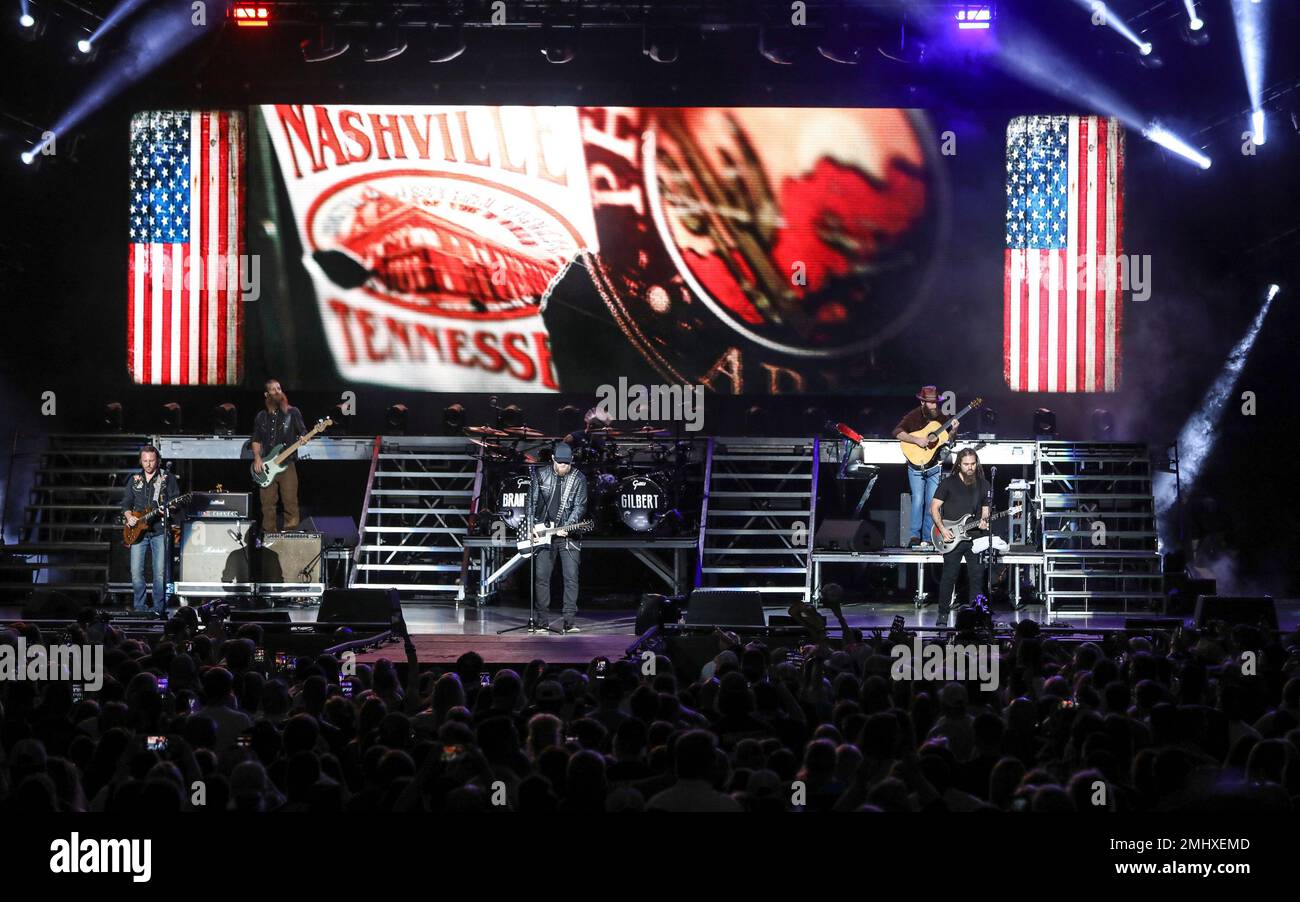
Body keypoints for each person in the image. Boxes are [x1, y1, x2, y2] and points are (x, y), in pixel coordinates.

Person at [527, 442, 588, 634]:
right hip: (545, 533)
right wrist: (531, 527)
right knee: (542, 577)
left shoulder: (578, 478)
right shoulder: (540, 475)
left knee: (571, 578)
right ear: (553, 459)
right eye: (561, 464)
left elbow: (580, 506)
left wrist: (567, 527)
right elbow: (531, 503)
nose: (564, 468)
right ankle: (542, 621)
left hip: (568, 535)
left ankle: (569, 622)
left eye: (567, 464)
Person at [119, 444, 182, 617]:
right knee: (136, 572)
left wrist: (168, 509)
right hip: (137, 532)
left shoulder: (167, 478)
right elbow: (125, 503)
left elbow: (176, 501)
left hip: (160, 531)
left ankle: (158, 608)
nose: (148, 464)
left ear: (158, 460)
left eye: (151, 461)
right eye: (145, 461)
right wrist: (129, 516)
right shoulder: (135, 479)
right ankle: (139, 607)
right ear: (141, 460)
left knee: (160, 573)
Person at [893, 385, 959, 549]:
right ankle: (914, 536)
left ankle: (928, 537)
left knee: (932, 503)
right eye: (930, 403)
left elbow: (949, 441)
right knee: (917, 500)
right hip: (916, 466)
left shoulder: (942, 418)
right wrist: (916, 440)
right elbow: (897, 432)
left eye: (935, 402)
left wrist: (954, 431)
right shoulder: (913, 416)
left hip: (934, 466)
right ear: (923, 402)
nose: (934, 406)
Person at [930, 448, 990, 625]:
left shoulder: (984, 484)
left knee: (977, 577)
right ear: (959, 464)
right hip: (951, 537)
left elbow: (985, 512)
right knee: (949, 576)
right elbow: (934, 508)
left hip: (975, 537)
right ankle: (942, 614)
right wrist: (942, 528)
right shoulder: (948, 483)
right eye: (966, 464)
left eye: (972, 464)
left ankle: (976, 615)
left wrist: (984, 522)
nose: (970, 467)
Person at [251, 378, 308, 533]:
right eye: (274, 389)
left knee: (290, 502)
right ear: (266, 394)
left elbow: (303, 431)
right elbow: (256, 440)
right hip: (266, 466)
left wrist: (303, 437)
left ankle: (290, 535)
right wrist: (257, 458)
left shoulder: (293, 412)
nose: (278, 391)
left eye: (279, 388)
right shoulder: (261, 416)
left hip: (287, 464)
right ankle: (269, 536)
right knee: (267, 505)